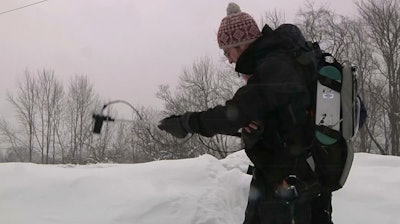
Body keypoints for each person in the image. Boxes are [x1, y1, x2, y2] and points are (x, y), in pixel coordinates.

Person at [158, 2, 335, 224]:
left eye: (227, 52)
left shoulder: (276, 67)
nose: (229, 60)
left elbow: (234, 114)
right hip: (290, 180)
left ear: (241, 45)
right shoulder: (279, 61)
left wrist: (188, 123)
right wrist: (258, 128)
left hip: (292, 186)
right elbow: (283, 118)